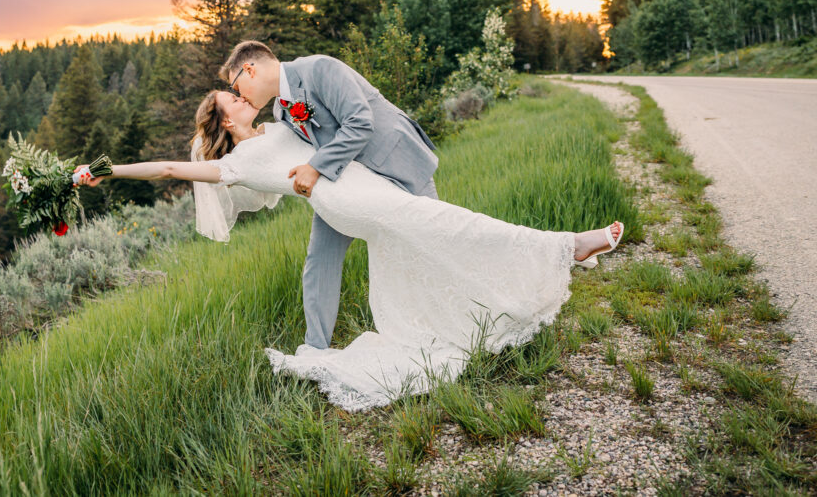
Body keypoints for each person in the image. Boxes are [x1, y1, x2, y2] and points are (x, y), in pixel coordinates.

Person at [75, 90, 624, 412]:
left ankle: (491, 301)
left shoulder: (278, 120)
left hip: (361, 186)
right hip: (351, 200)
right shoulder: (236, 163)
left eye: (239, 92)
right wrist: (104, 171)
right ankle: (570, 247)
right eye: (233, 100)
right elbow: (169, 168)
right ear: (224, 121)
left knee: (426, 247)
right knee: (449, 222)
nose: (244, 98)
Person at [219, 40, 440, 351]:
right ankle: (316, 348)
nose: (238, 94)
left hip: (398, 162)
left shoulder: (319, 68)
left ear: (250, 69)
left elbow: (360, 123)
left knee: (434, 240)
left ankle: (452, 322)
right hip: (347, 183)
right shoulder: (281, 110)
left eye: (235, 84)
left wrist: (315, 167)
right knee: (320, 256)